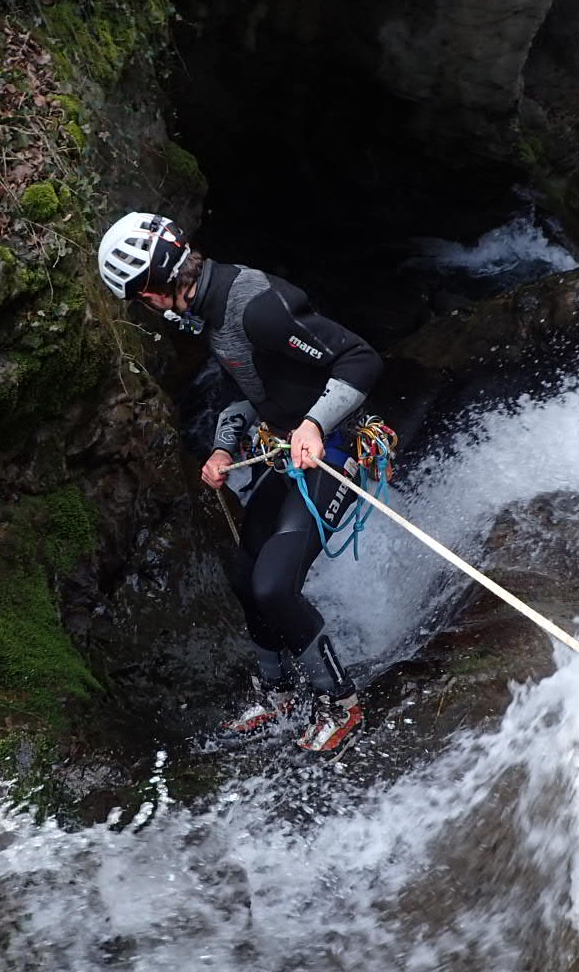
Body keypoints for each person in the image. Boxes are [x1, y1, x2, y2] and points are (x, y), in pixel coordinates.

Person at [97, 212, 383, 752]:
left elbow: (359, 358)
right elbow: (256, 394)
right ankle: (277, 693)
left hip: (337, 451)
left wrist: (315, 425)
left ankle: (338, 702)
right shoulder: (211, 312)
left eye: (141, 300)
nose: (148, 310)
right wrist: (225, 446)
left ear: (155, 292)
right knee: (245, 575)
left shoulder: (255, 308)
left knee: (274, 586)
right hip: (291, 454)